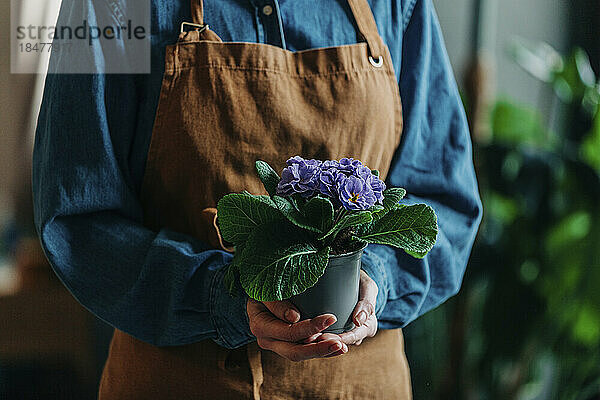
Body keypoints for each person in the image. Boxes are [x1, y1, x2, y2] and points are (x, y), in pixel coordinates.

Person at [33, 0, 482, 398]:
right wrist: (224, 295)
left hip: (360, 384)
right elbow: (79, 219)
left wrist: (375, 278)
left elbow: (446, 203)